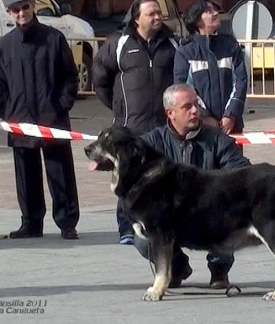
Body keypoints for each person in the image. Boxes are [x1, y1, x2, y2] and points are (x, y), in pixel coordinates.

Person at [133, 83, 251, 289]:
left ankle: (219, 270)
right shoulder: (152, 142)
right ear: (170, 113)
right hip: (170, 219)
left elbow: (241, 173)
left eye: (196, 104)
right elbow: (133, 179)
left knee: (229, 216)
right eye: (187, 107)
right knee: (143, 237)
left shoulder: (217, 139)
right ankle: (177, 269)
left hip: (208, 214)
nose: (196, 110)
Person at [92, 0, 177, 245]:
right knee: (126, 176)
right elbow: (100, 79)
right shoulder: (118, 44)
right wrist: (118, 108)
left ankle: (157, 223)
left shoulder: (171, 43)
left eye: (159, 12)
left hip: (162, 127)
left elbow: (180, 77)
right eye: (152, 13)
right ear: (137, 18)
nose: (158, 17)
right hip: (130, 127)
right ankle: (126, 227)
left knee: (161, 177)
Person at [0, 0, 80, 239]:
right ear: (9, 13)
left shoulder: (54, 38)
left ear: (32, 6)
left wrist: (61, 105)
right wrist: (8, 113)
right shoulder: (5, 45)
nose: (21, 13)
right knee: (26, 176)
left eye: (25, 7)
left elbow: (70, 77)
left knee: (60, 173)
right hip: (20, 122)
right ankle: (30, 222)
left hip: (52, 120)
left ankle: (67, 222)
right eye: (15, 10)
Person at [174, 0, 247, 135]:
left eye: (215, 10)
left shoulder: (230, 46)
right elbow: (184, 88)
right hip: (199, 127)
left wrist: (230, 115)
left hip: (231, 126)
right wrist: (204, 116)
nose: (215, 13)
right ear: (197, 20)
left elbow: (241, 82)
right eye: (208, 11)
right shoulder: (185, 52)